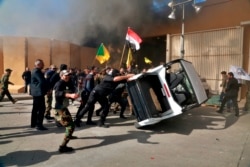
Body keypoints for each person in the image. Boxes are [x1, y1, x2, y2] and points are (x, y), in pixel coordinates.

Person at [52, 70, 79, 153]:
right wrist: (70, 95)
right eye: (65, 75)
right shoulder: (59, 84)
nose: (67, 76)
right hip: (58, 108)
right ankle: (62, 147)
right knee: (70, 126)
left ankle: (69, 135)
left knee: (70, 123)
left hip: (63, 107)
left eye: (68, 75)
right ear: (61, 76)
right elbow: (58, 94)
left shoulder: (67, 83)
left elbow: (70, 93)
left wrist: (76, 98)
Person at [30, 59, 48, 130]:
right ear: (38, 65)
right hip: (38, 93)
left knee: (35, 109)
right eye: (42, 64)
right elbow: (42, 81)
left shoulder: (34, 71)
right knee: (41, 109)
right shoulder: (37, 71)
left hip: (36, 93)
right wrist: (47, 79)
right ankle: (39, 125)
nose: (43, 65)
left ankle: (33, 124)